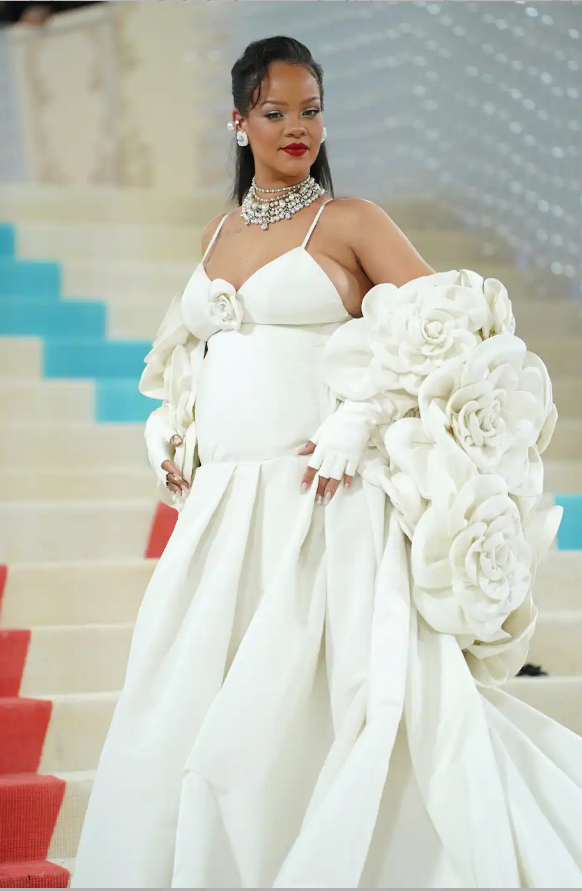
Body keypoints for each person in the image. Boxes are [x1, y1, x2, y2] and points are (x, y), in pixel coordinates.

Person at [71, 36, 582, 889]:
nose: (296, 127)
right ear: (239, 122)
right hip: (226, 512)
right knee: (194, 698)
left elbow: (455, 324)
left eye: (310, 110)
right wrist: (171, 428)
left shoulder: (350, 221)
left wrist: (362, 414)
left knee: (339, 698)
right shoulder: (217, 232)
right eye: (275, 112)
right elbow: (194, 349)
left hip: (324, 498)